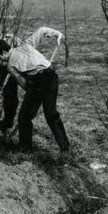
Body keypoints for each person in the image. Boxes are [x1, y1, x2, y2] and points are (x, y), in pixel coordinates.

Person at [4, 24, 71, 156]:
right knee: (51, 114)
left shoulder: (10, 66)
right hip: (51, 76)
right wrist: (57, 34)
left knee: (24, 117)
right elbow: (42, 30)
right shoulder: (25, 44)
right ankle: (65, 149)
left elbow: (24, 84)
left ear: (3, 53)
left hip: (38, 83)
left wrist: (28, 82)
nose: (0, 61)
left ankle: (25, 149)